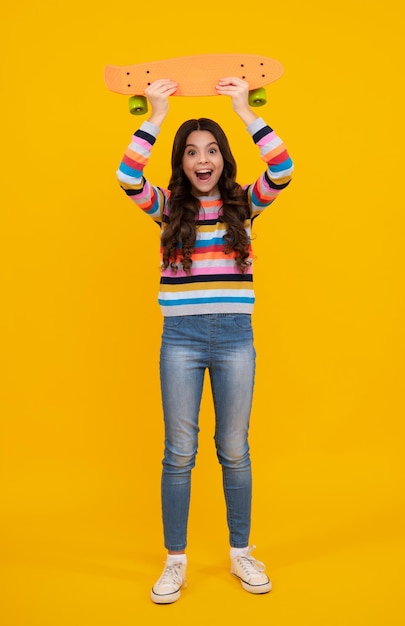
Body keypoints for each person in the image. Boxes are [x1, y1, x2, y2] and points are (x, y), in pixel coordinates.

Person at [116, 77, 293, 604]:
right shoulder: (168, 208)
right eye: (192, 152)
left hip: (236, 339)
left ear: (223, 157)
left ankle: (241, 553)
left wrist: (244, 111)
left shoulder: (243, 205)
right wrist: (156, 115)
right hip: (182, 342)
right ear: (181, 161)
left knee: (234, 450)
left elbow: (282, 170)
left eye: (211, 150)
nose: (202, 159)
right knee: (179, 453)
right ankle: (176, 561)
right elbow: (128, 176)